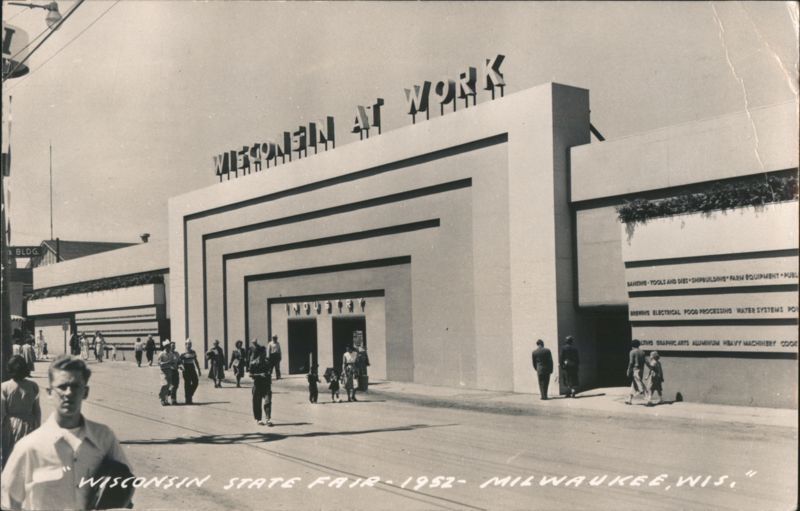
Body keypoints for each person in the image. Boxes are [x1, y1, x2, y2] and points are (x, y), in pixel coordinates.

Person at [1, 355, 133, 511]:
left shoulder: (104, 438)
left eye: (75, 386)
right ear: (49, 392)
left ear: (86, 392)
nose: (69, 393)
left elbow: (125, 485)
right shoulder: (28, 448)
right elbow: (8, 504)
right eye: (62, 387)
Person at [1, 356, 42, 469]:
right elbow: (37, 410)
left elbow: (2, 411)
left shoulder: (4, 387)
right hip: (29, 424)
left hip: (10, 426)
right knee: (27, 458)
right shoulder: (33, 386)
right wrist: (38, 426)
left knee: (9, 456)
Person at [248, 339, 273, 426]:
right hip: (257, 385)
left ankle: (268, 419)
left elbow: (269, 371)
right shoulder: (253, 363)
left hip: (266, 384)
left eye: (265, 353)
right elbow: (250, 375)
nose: (265, 354)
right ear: (259, 354)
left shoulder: (267, 362)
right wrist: (259, 375)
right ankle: (259, 419)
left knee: (268, 401)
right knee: (257, 403)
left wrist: (268, 374)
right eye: (263, 353)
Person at [158, 340, 181, 406]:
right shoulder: (161, 354)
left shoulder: (171, 354)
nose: (168, 348)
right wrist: (167, 363)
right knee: (165, 384)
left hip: (169, 371)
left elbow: (174, 361)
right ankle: (162, 398)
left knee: (168, 386)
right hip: (163, 371)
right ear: (164, 347)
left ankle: (165, 400)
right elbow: (160, 364)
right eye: (167, 346)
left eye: (168, 346)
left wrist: (177, 366)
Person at [625, 339, 647, 405]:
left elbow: (631, 362)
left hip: (635, 369)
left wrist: (628, 370)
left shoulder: (632, 352)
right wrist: (651, 367)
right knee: (634, 385)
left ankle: (642, 391)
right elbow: (646, 361)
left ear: (632, 345)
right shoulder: (642, 352)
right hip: (641, 369)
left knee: (639, 384)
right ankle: (629, 400)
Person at [180, 339, 202, 404]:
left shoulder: (193, 352)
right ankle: (188, 399)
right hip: (186, 368)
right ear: (185, 345)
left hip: (192, 367)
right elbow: (180, 362)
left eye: (190, 344)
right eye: (187, 344)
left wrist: (199, 370)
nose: (188, 345)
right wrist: (181, 367)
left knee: (196, 382)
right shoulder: (183, 353)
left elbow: (196, 361)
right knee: (187, 384)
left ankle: (189, 395)